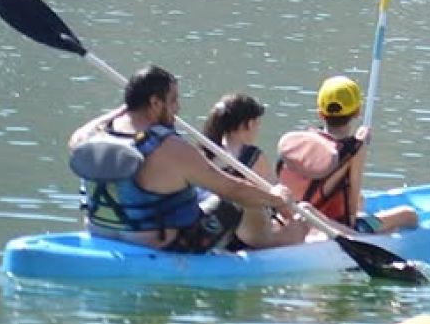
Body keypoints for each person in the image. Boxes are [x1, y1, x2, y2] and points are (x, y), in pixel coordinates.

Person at [68, 66, 294, 253]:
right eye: (173, 101)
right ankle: (271, 244)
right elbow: (232, 189)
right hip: (162, 245)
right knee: (234, 202)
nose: (178, 108)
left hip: (102, 234)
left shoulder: (88, 138)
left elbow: (78, 136)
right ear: (156, 103)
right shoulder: (171, 148)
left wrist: (126, 107)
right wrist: (275, 199)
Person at [276, 76, 420, 235]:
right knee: (409, 214)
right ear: (357, 112)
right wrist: (361, 146)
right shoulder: (353, 150)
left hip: (293, 216)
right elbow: (351, 210)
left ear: (320, 113)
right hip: (334, 226)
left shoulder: (300, 142)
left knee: (362, 201)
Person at [201, 93, 311, 250]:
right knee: (304, 218)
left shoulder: (205, 152)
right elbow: (281, 203)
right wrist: (293, 222)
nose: (258, 129)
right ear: (249, 124)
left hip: (217, 229)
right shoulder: (252, 156)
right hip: (249, 238)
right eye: (258, 124)